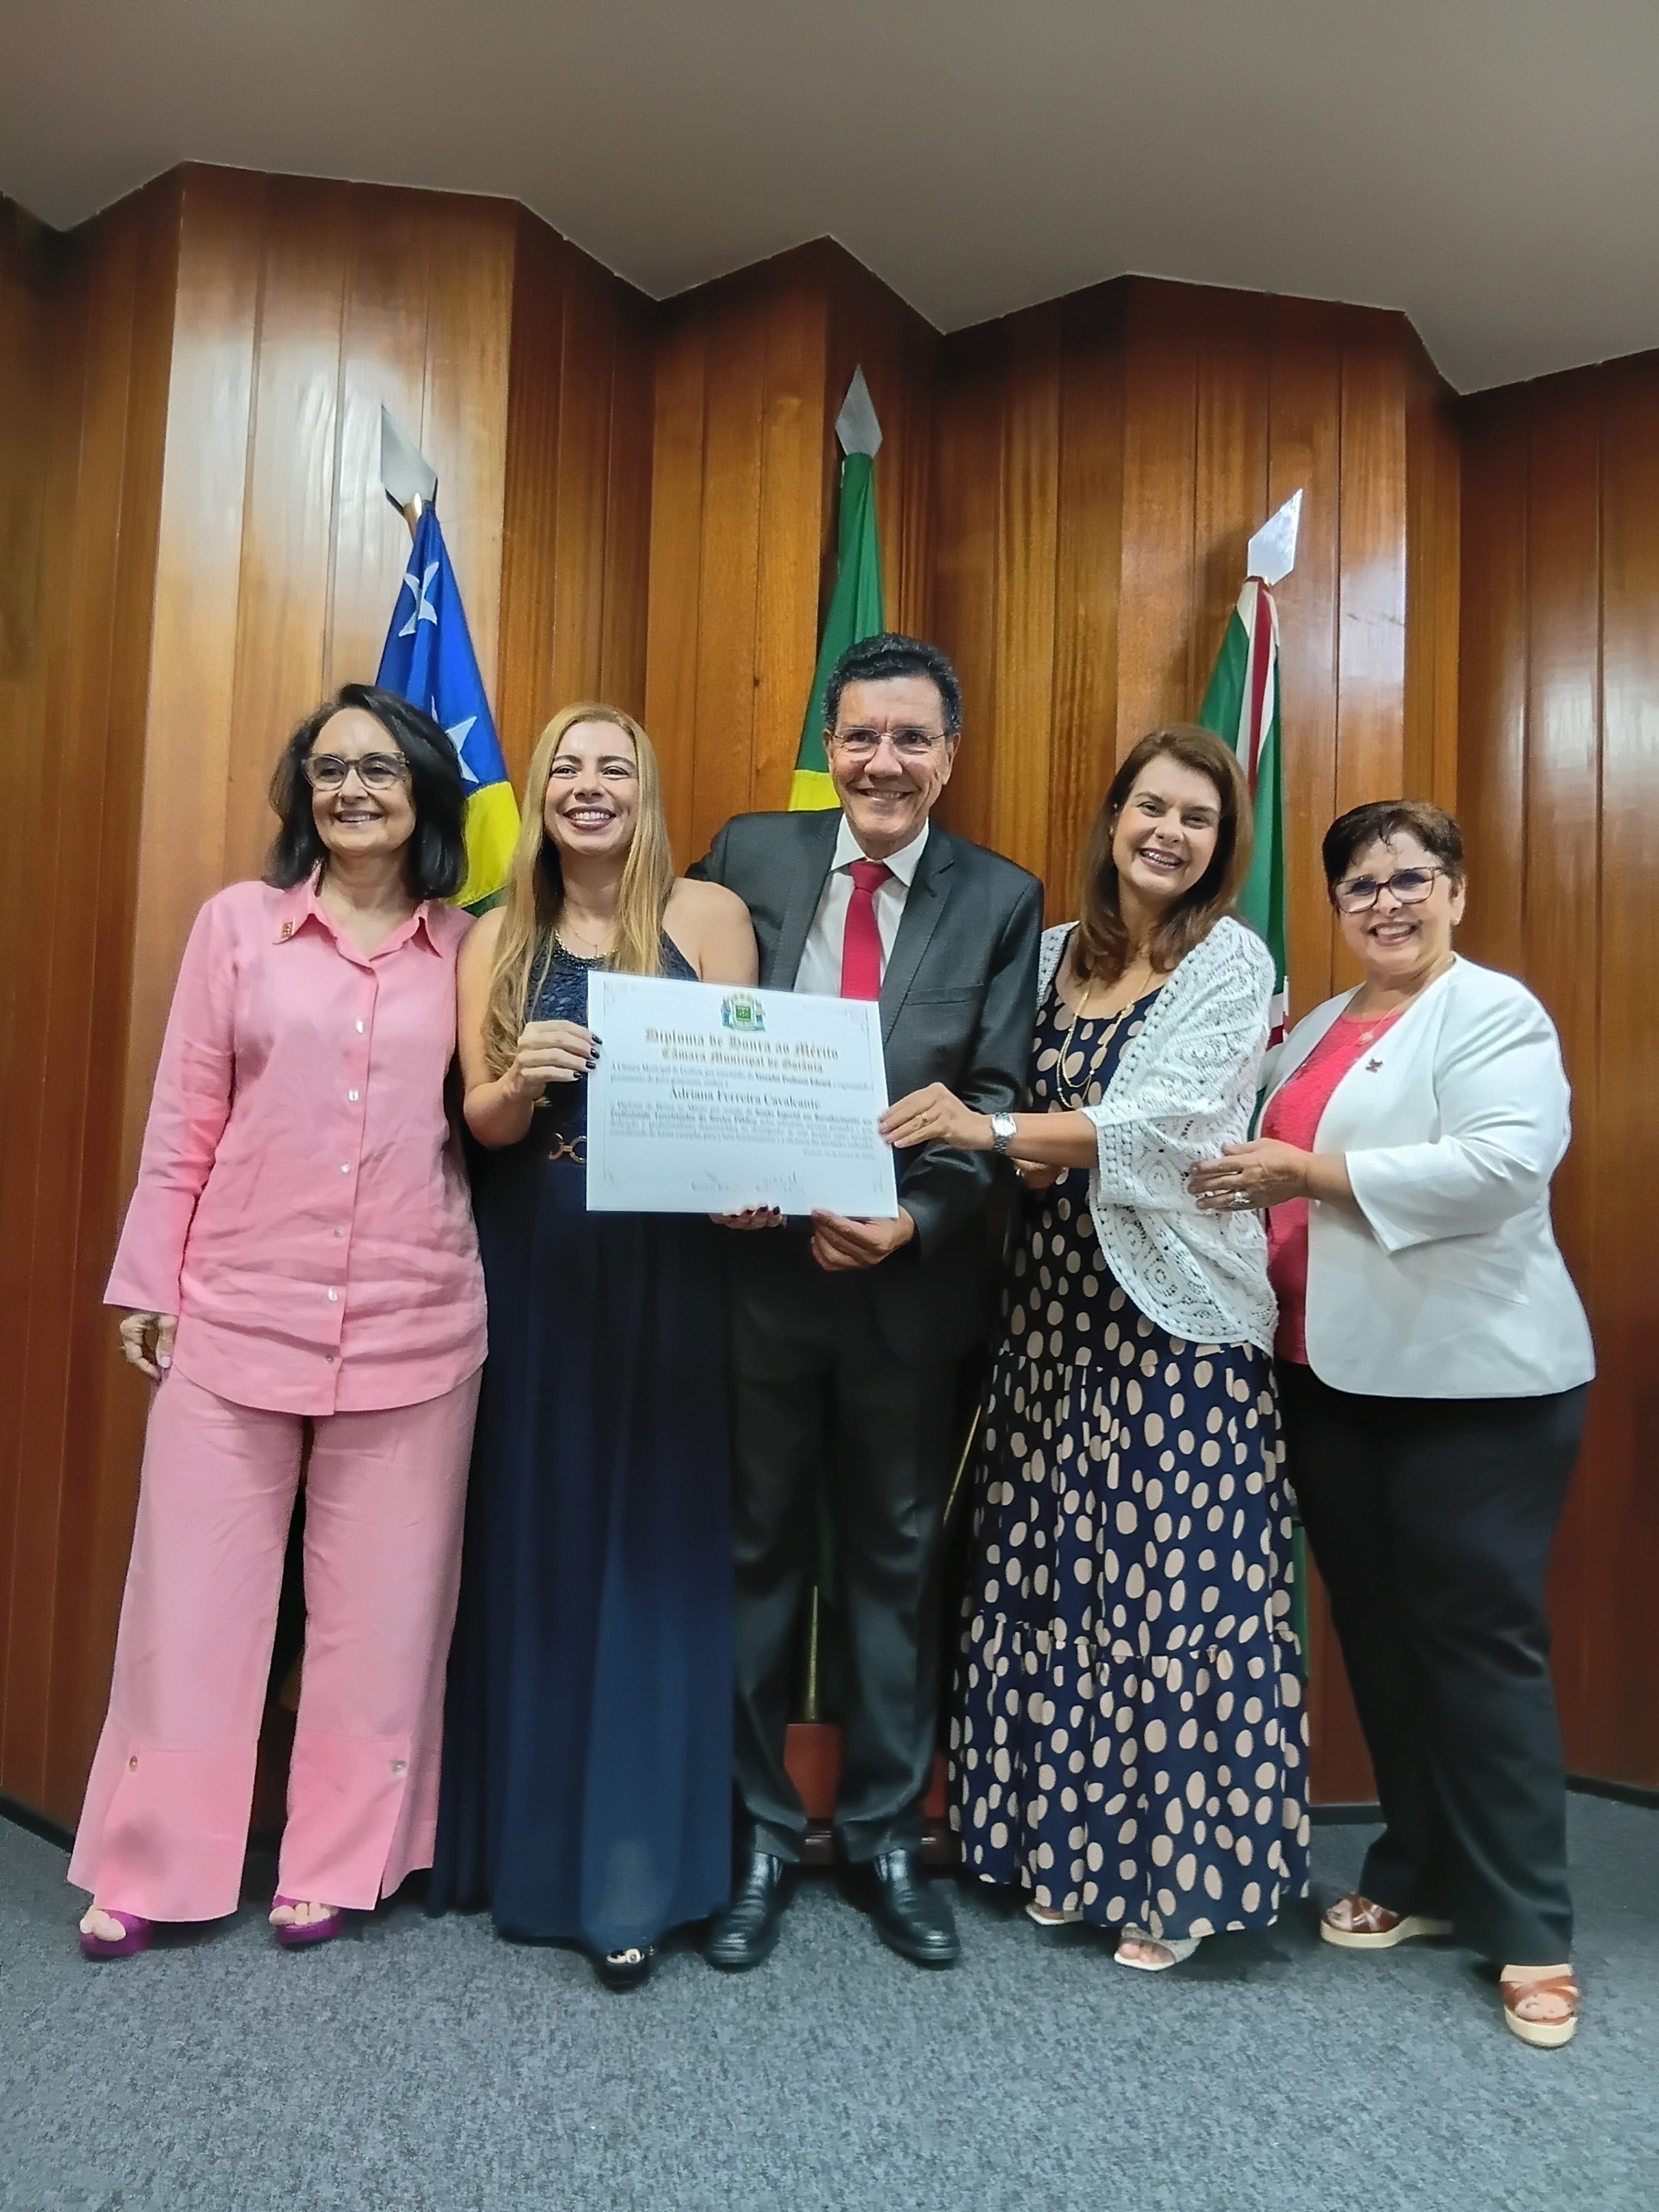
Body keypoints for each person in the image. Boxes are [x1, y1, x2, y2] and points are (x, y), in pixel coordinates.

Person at [883, 725, 1309, 1971]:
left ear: (1223, 846)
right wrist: (992, 1132)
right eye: (1152, 807)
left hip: (1175, 1320)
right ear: (1114, 816)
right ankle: (1064, 1852)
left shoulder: (1229, 958)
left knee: (1172, 1595)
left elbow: (1164, 1128)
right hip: (1047, 1314)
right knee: (1053, 1581)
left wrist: (995, 1129)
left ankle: (1176, 1885)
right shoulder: (1053, 952)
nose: (1169, 833)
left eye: (1199, 819)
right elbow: (995, 1084)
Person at [71, 684, 485, 1958]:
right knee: (191, 1607)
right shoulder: (237, 927)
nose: (352, 788)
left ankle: (339, 1858)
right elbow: (184, 1113)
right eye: (329, 768)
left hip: (416, 1323)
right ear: (304, 794)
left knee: (384, 1618)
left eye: (379, 768)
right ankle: (151, 1863)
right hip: (234, 1311)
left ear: (425, 793)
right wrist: (150, 1280)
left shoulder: (473, 948)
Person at [1190, 800, 1594, 2047]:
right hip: (1328, 1378)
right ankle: (1420, 1872)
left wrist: (1309, 1175)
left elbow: (1502, 1167)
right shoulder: (1319, 1025)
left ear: (1456, 891)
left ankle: (1530, 1926)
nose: (1388, 903)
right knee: (1379, 1640)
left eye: (1411, 878)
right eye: (1360, 886)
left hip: (1474, 1389)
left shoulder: (1494, 1013)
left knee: (1477, 1650)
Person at [690, 634, 1043, 1971]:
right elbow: (691, 1031)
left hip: (906, 1294)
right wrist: (712, 1171)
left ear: (949, 756)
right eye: (860, 736)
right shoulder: (750, 856)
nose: (882, 761)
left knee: (894, 1572)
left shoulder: (999, 897)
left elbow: (996, 1098)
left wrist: (912, 1222)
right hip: (758, 1286)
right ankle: (759, 1836)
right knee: (756, 1561)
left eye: (910, 738)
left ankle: (891, 1835)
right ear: (828, 746)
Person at [427, 703, 756, 1991]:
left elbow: (744, 1091)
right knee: (544, 1544)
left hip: (672, 1270)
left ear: (646, 789)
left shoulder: (710, 917)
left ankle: (641, 1869)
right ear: (540, 795)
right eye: (566, 765)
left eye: (615, 765)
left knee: (659, 1553)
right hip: (537, 1268)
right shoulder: (493, 932)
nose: (589, 784)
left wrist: (750, 1183)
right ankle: (531, 1854)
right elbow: (480, 1121)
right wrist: (519, 1080)